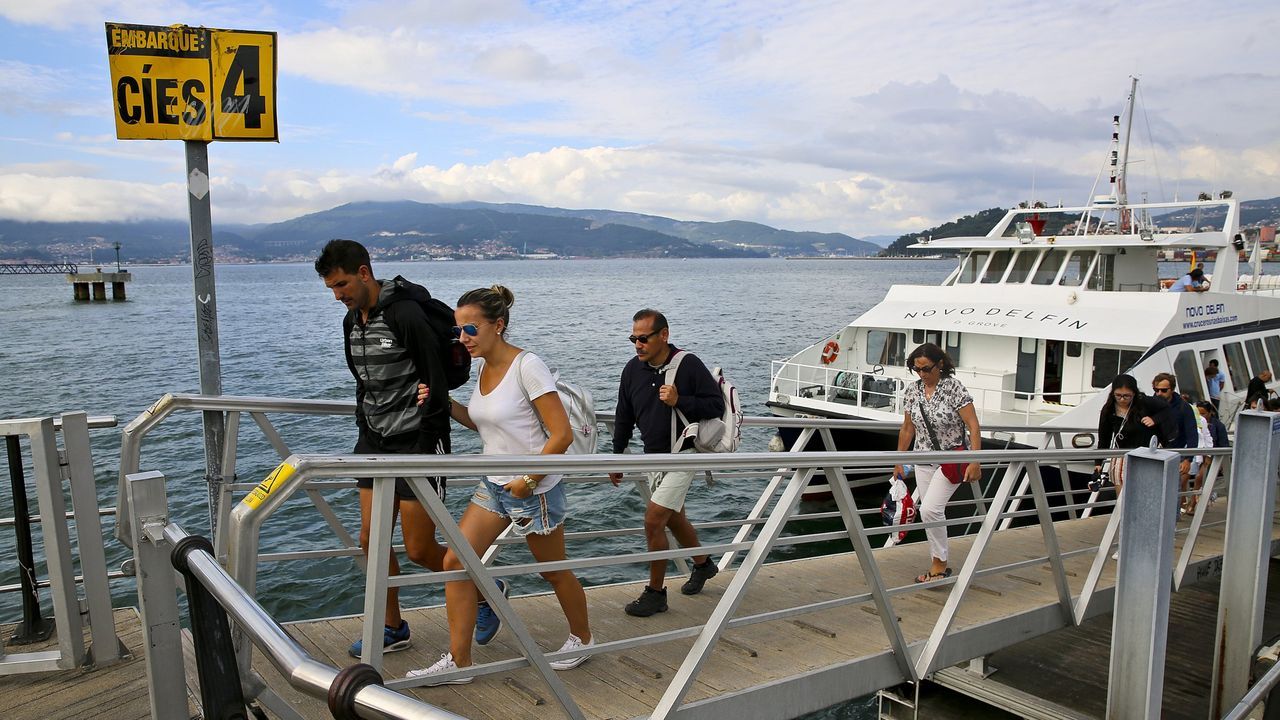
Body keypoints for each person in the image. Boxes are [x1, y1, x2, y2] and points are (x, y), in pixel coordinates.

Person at [408, 285, 594, 684]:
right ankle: (460, 663)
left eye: (470, 330)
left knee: (553, 571)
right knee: (455, 562)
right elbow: (484, 424)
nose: (463, 339)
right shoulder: (482, 368)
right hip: (493, 484)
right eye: (459, 330)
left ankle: (583, 638)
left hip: (534, 489)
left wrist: (529, 479)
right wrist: (441, 399)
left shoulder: (528, 365)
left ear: (499, 325)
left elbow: (559, 435)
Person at [315, 239, 450, 658]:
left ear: (364, 272)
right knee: (371, 540)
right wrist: (364, 426)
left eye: (341, 285)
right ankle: (393, 627)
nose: (338, 296)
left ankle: (481, 589)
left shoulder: (405, 314)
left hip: (416, 442)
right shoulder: (352, 321)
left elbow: (437, 381)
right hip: (373, 440)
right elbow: (363, 381)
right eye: (331, 289)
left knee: (419, 549)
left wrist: (427, 445)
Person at [608, 309, 725, 617]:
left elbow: (716, 405)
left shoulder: (688, 364)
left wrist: (679, 400)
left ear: (664, 335)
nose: (637, 345)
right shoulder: (632, 370)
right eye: (633, 338)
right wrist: (617, 455)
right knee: (673, 518)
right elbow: (624, 415)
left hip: (683, 452)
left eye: (643, 338)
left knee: (653, 519)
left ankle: (656, 593)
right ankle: (703, 565)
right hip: (653, 455)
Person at [892, 343, 982, 584]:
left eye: (926, 369)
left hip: (951, 459)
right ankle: (937, 560)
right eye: (916, 369)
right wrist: (899, 460)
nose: (922, 374)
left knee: (929, 509)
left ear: (940, 364)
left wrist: (975, 460)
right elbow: (907, 428)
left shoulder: (953, 388)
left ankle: (939, 564)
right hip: (923, 459)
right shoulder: (912, 391)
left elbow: (973, 425)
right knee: (931, 513)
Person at [1093, 375, 1170, 494]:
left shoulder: (1144, 402)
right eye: (1118, 395)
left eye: (1126, 396)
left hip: (1144, 453)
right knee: (1122, 498)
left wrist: (1154, 419)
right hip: (1121, 455)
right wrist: (1098, 463)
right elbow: (1104, 437)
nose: (1122, 399)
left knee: (1143, 493)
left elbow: (1167, 409)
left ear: (1134, 393)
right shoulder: (1108, 410)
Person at [1151, 372, 1198, 515]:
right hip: (1152, 452)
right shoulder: (1150, 404)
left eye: (1164, 390)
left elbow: (1192, 435)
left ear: (1172, 389)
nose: (1159, 393)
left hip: (1173, 452)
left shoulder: (1184, 408)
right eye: (1156, 390)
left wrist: (1188, 459)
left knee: (1172, 489)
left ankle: (1173, 521)